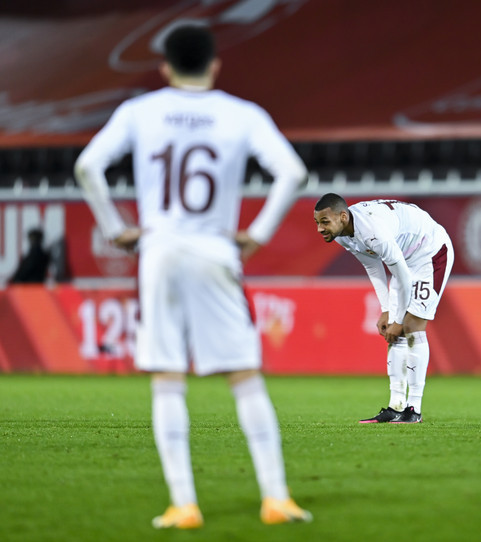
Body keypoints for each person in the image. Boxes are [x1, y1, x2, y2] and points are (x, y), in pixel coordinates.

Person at [74, 24, 312, 529]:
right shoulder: (241, 114)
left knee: (167, 379)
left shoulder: (140, 112)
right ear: (215, 64)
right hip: (214, 247)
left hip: (158, 249)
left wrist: (117, 228)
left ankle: (184, 505)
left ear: (164, 67)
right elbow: (292, 172)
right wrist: (258, 233)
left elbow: (87, 166)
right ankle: (276, 499)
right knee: (245, 378)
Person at [314, 194, 454, 424]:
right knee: (394, 333)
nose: (320, 228)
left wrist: (398, 319)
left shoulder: (373, 231)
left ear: (342, 216)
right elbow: (372, 265)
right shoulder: (341, 235)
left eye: (325, 222)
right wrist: (387, 311)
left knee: (411, 326)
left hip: (430, 251)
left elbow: (401, 274)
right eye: (317, 223)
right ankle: (396, 406)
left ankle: (414, 409)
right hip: (405, 259)